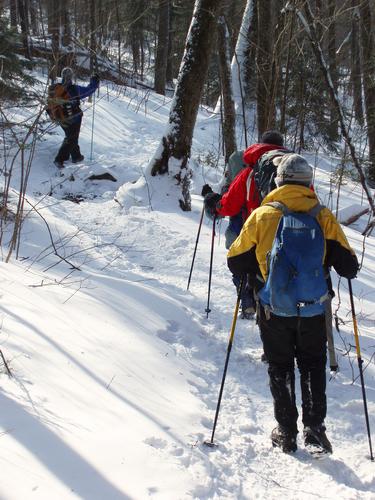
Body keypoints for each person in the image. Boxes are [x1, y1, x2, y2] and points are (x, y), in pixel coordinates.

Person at [227, 153, 358, 454]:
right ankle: (314, 429)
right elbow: (349, 267)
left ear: (279, 180)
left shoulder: (262, 215)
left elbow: (235, 261)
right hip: (313, 309)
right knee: (312, 365)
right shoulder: (322, 215)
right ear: (308, 183)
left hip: (274, 309)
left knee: (280, 367)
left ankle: (286, 432)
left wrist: (256, 271)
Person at [202, 130, 288, 319]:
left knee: (241, 261)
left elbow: (229, 205)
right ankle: (283, 306)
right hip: (289, 232)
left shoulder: (250, 171)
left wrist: (215, 203)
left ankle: (248, 300)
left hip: (255, 229)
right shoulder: (295, 172)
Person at [53, 67, 99, 168]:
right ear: (71, 76)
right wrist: (94, 81)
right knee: (71, 138)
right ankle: (59, 159)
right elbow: (89, 90)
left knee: (72, 136)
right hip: (74, 118)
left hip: (60, 118)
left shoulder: (56, 88)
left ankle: (76, 156)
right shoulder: (74, 89)